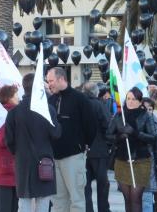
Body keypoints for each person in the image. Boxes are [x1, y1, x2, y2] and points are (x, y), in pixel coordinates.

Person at [5, 73, 62, 212]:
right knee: (43, 203)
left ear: (24, 88)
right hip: (44, 162)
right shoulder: (47, 109)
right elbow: (56, 134)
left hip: (23, 163)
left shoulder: (14, 112)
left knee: (24, 203)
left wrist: (18, 152)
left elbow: (9, 141)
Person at [47, 67, 96, 212]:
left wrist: (83, 145)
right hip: (54, 158)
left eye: (51, 81)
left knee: (77, 200)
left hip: (74, 157)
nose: (49, 84)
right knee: (58, 201)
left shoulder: (80, 99)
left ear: (61, 79)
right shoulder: (50, 100)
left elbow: (91, 125)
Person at [106, 87, 156, 212]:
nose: (130, 101)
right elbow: (108, 135)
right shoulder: (119, 115)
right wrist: (119, 136)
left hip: (141, 161)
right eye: (128, 98)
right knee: (127, 198)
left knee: (136, 198)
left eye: (134, 99)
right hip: (122, 161)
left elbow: (153, 137)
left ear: (140, 101)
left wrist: (135, 133)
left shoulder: (146, 115)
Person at [83, 82, 111, 212]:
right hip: (99, 150)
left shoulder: (80, 105)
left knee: (85, 185)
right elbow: (107, 126)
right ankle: (103, 209)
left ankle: (88, 209)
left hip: (82, 150)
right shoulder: (100, 105)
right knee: (102, 185)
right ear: (96, 92)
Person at [0, 85, 19, 212]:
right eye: (16, 95)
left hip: (8, 169)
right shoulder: (4, 114)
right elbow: (1, 140)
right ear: (9, 98)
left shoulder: (11, 113)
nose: (19, 97)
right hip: (5, 169)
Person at [141, 97, 157, 212]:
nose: (147, 111)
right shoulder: (134, 122)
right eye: (144, 108)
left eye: (150, 109)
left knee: (147, 199)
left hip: (150, 168)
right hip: (133, 167)